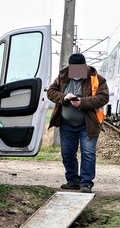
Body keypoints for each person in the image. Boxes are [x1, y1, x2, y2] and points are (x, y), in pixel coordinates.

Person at [46, 53, 109, 194]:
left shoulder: (97, 79)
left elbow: (104, 97)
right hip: (67, 124)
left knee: (88, 153)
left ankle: (86, 183)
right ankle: (73, 180)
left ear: (85, 67)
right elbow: (50, 92)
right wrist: (64, 97)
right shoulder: (63, 77)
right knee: (67, 153)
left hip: (88, 124)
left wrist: (82, 102)